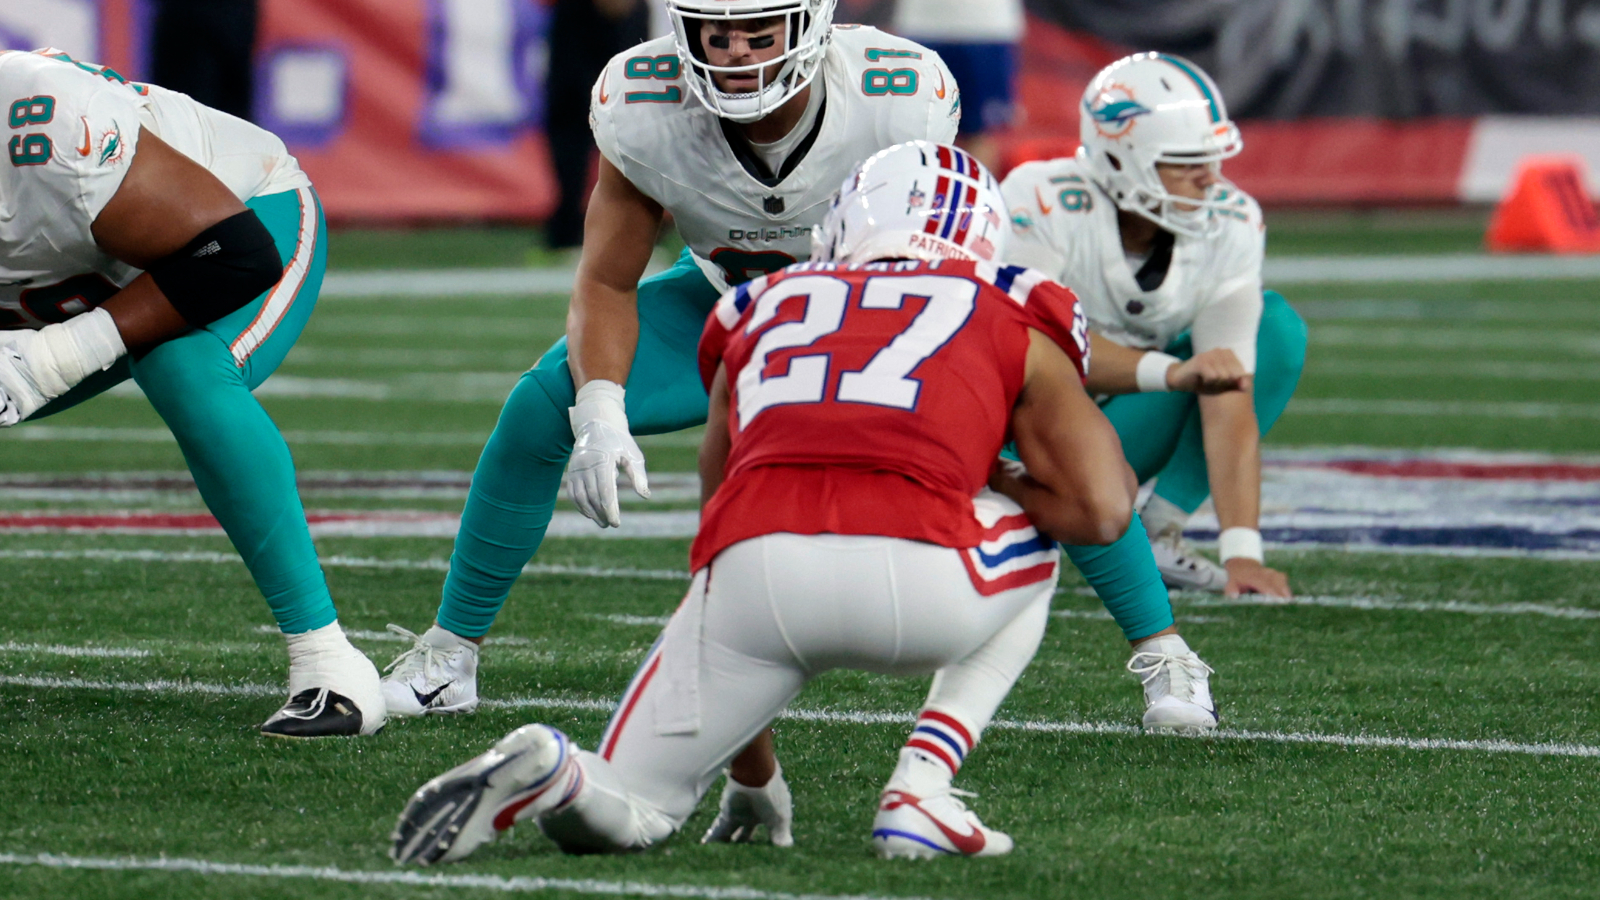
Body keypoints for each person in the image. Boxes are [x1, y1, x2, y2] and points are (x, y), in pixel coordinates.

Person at [390, 141, 1131, 864]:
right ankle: (922, 786)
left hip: (757, 577)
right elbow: (1101, 510)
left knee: (630, 809)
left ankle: (556, 768)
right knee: (1038, 530)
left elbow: (720, 523)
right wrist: (1001, 480)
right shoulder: (1014, 305)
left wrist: (752, 775)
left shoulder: (759, 305)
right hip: (926, 586)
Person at [378, 0, 960, 712]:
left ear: (809, 29)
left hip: (868, 320)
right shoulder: (644, 103)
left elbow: (941, 269)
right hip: (721, 301)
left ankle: (1145, 645)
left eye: (759, 33)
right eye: (718, 35)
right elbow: (606, 280)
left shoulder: (893, 101)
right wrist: (599, 408)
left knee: (1042, 420)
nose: (739, 52)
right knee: (541, 407)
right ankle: (448, 656)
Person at [0, 48, 385, 738]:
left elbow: (235, 255)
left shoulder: (47, 123)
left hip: (238, 220)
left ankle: (329, 662)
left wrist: (54, 359)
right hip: (73, 278)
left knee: (182, 366)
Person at [1001, 52, 1306, 598]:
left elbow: (1228, 395)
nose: (1210, 178)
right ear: (1120, 160)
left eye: (1212, 157)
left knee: (1276, 330)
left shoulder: (1232, 223)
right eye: (1186, 159)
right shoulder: (1043, 200)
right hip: (1024, 438)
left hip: (1114, 435)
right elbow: (1030, 354)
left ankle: (1160, 530)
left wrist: (1243, 553)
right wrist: (1171, 372)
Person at [889, 0, 1023, 173]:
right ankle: (917, 196)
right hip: (923, 24)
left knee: (979, 132)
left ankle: (977, 198)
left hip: (986, 28)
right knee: (914, 129)